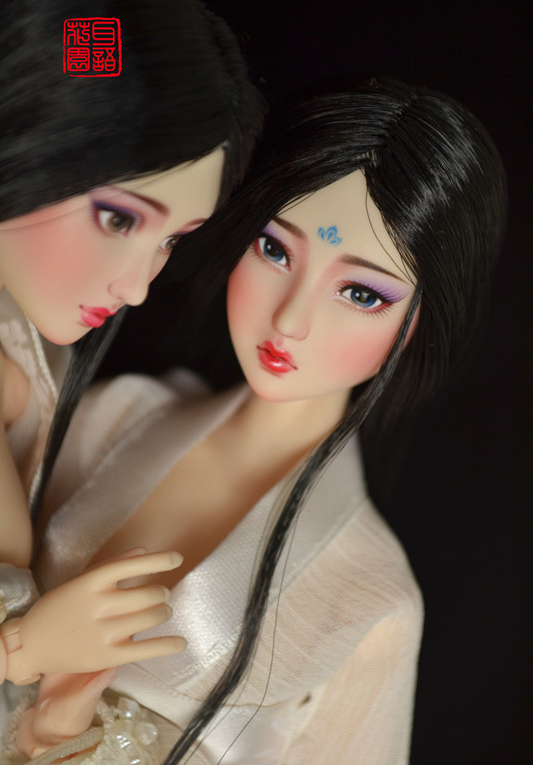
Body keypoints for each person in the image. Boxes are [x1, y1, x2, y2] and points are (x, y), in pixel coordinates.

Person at [11, 77, 505, 764]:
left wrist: (59, 731)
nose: (291, 318)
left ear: (421, 319)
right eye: (275, 251)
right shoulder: (111, 416)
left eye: (361, 293)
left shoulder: (370, 600)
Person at [0, 0, 262, 692]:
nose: (137, 286)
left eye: (171, 240)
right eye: (119, 219)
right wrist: (18, 651)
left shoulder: (24, 349)